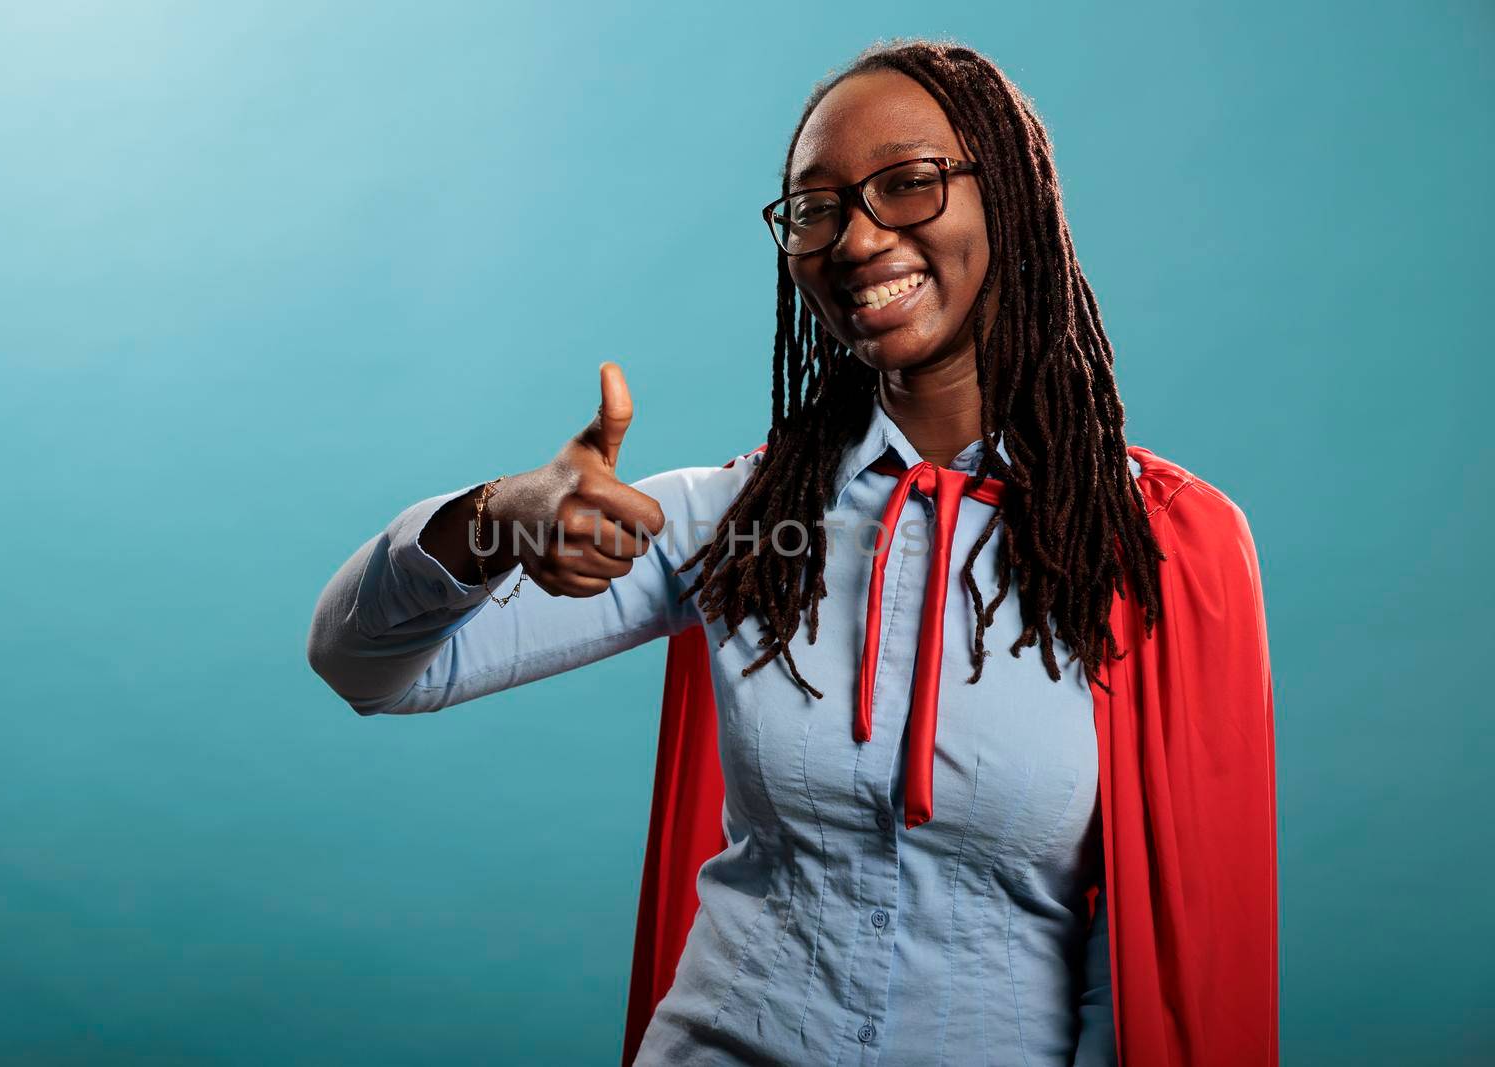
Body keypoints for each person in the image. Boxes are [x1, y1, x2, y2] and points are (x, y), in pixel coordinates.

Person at [306, 37, 1277, 1067]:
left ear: (1013, 204)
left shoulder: (1153, 543)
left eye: (907, 185)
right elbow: (365, 664)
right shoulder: (747, 518)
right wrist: (499, 515)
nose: (856, 240)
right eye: (817, 208)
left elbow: (1153, 964)